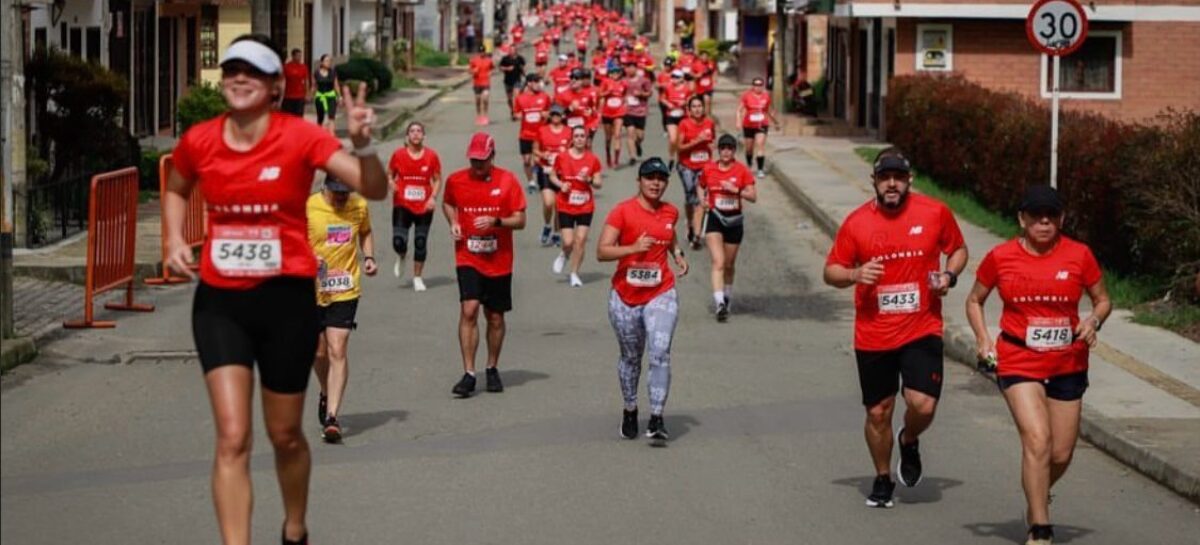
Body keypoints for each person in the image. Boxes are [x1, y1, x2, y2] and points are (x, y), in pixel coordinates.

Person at [164, 34, 388, 545]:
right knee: (232, 437)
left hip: (287, 300)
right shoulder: (200, 140)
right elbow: (177, 186)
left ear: (273, 85)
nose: (238, 78)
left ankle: (294, 527)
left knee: (285, 436)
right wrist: (173, 239)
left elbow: (373, 188)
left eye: (252, 70)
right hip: (221, 301)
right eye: (231, 69)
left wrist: (364, 144)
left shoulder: (300, 138)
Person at [822, 148, 968, 509]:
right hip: (874, 333)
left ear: (908, 181)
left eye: (898, 178)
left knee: (923, 405)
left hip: (921, 327)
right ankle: (883, 477)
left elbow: (959, 249)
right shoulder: (856, 223)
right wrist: (855, 274)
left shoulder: (934, 213)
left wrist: (948, 275)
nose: (891, 184)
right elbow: (831, 271)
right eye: (884, 178)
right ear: (873, 181)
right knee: (878, 412)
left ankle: (909, 440)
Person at [965, 185, 1111, 545]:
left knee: (1060, 452)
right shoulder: (1001, 257)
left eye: (1051, 216)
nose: (1043, 222)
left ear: (1061, 219)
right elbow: (974, 301)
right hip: (1018, 358)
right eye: (1035, 216)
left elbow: (1103, 300)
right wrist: (983, 340)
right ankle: (1040, 529)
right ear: (1022, 219)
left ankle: (1036, 495)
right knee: (1037, 439)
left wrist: (1093, 321)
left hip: (1068, 361)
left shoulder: (1080, 255)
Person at [596, 157, 689, 445]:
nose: (656, 183)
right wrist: (633, 248)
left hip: (661, 290)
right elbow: (602, 251)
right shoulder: (622, 212)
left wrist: (677, 254)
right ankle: (630, 408)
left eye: (661, 179)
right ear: (639, 180)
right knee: (631, 358)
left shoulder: (671, 212)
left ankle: (657, 418)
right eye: (650, 178)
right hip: (625, 296)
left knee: (660, 351)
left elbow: (668, 236)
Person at [442, 132, 527, 397]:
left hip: (499, 259)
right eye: (473, 160)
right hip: (468, 256)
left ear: (492, 157)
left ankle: (491, 367)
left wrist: (496, 222)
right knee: (469, 310)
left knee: (495, 317)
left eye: (481, 160)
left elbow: (521, 220)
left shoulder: (507, 181)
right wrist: (454, 222)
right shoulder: (456, 180)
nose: (477, 165)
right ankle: (469, 373)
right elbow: (448, 203)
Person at [307, 176, 376, 442]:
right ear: (326, 188)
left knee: (338, 348)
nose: (342, 198)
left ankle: (332, 417)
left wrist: (368, 257)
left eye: (346, 193)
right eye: (337, 193)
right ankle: (325, 390)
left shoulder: (358, 205)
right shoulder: (309, 207)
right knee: (318, 351)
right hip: (310, 289)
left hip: (345, 286)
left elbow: (366, 232)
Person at [700, 135, 756, 322]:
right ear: (718, 150)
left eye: (729, 148)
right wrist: (703, 200)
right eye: (722, 148)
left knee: (729, 265)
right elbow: (700, 186)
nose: (725, 152)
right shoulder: (709, 168)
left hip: (734, 221)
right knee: (719, 262)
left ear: (734, 151)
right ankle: (719, 303)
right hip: (715, 218)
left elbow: (753, 196)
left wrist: (737, 190)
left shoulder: (742, 171)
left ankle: (727, 296)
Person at [387, 121, 443, 291]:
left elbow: (437, 179)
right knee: (398, 241)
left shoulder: (431, 156)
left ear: (424, 136)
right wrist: (391, 184)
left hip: (424, 205)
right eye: (412, 131)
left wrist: (433, 197)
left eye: (419, 131)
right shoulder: (398, 155)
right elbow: (390, 174)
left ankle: (417, 277)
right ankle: (402, 255)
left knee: (420, 241)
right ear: (407, 136)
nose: (416, 134)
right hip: (402, 203)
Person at [549, 126, 603, 287]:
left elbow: (599, 183)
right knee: (568, 241)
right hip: (566, 204)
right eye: (577, 136)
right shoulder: (562, 157)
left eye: (583, 136)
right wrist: (560, 184)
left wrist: (589, 180)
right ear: (572, 139)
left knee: (580, 241)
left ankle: (574, 273)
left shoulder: (593, 159)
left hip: (585, 205)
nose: (580, 139)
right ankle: (565, 254)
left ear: (587, 139)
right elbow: (552, 175)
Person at [676, 95, 715, 251]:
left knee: (700, 200)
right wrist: (697, 141)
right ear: (689, 110)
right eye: (694, 107)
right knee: (690, 199)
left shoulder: (709, 123)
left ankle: (697, 235)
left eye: (700, 106)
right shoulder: (684, 124)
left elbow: (713, 143)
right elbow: (679, 147)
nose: (698, 109)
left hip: (704, 167)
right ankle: (690, 221)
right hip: (687, 166)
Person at [534, 105, 572, 247]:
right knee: (549, 202)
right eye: (553, 114)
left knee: (559, 205)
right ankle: (547, 225)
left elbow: (573, 150)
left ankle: (556, 233)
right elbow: (535, 150)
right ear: (550, 116)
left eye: (558, 114)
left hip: (562, 173)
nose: (556, 117)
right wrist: (543, 155)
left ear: (563, 116)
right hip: (546, 171)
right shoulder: (542, 130)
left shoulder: (569, 132)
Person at [513, 74, 552, 193]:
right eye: (535, 82)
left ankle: (543, 180)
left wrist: (547, 114)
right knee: (526, 160)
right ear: (529, 83)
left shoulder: (545, 97)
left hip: (540, 134)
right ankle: (531, 182)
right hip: (525, 134)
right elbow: (516, 113)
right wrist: (519, 115)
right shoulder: (520, 98)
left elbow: (552, 112)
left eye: (539, 81)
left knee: (539, 159)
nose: (538, 84)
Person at [736, 77, 780, 178]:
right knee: (749, 148)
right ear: (753, 86)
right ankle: (749, 164)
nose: (758, 87)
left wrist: (775, 123)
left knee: (760, 145)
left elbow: (769, 111)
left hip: (762, 124)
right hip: (748, 125)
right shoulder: (746, 96)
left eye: (760, 84)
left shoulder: (766, 96)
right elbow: (739, 110)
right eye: (756, 84)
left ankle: (760, 169)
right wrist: (738, 121)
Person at [623, 61, 653, 165]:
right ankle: (632, 156)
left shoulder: (644, 81)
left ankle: (637, 144)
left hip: (640, 111)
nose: (630, 70)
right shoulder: (623, 81)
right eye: (628, 68)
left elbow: (650, 93)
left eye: (632, 67)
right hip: (627, 111)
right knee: (630, 132)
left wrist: (641, 94)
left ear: (636, 69)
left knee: (640, 136)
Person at [598, 65, 628, 168]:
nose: (615, 75)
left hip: (619, 112)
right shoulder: (605, 82)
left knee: (617, 135)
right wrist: (608, 92)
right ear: (610, 74)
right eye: (613, 73)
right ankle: (608, 155)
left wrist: (624, 103)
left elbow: (624, 95)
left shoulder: (623, 84)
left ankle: (616, 160)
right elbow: (600, 94)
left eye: (617, 72)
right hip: (607, 112)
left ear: (620, 74)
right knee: (608, 138)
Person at [661, 69, 692, 169]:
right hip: (671, 116)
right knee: (673, 139)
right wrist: (668, 104)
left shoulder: (687, 89)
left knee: (682, 140)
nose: (674, 79)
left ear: (682, 78)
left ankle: (681, 158)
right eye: (673, 76)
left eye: (676, 77)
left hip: (683, 117)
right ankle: (671, 157)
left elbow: (692, 99)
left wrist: (685, 103)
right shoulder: (668, 88)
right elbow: (662, 98)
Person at [313, 54, 340, 135]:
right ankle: (319, 135)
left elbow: (336, 85)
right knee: (320, 118)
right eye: (326, 61)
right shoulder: (316, 73)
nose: (328, 63)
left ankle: (332, 136)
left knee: (331, 117)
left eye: (330, 61)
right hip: (320, 96)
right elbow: (314, 86)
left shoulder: (333, 72)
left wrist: (339, 96)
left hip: (331, 96)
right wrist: (310, 95)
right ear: (321, 62)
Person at [469, 46, 495, 126]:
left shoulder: (489, 60)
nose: (482, 53)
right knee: (478, 100)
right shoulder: (474, 60)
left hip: (486, 82)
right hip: (477, 82)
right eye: (480, 52)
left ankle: (485, 116)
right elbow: (469, 70)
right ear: (479, 52)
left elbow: (493, 68)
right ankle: (479, 116)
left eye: (483, 51)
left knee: (485, 98)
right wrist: (473, 71)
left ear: (485, 52)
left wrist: (491, 72)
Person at [498, 45, 527, 117]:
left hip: (517, 80)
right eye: (510, 50)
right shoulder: (505, 58)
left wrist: (524, 73)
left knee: (516, 97)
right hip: (507, 81)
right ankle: (512, 109)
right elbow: (500, 68)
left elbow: (523, 68)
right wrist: (507, 68)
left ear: (516, 50)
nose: (512, 51)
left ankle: (515, 112)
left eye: (513, 50)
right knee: (509, 99)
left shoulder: (520, 58)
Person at [281, 48, 309, 117]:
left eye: (300, 56)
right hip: (288, 96)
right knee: (288, 116)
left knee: (299, 116)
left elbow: (306, 81)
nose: (299, 58)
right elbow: (282, 81)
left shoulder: (303, 67)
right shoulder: (286, 67)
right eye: (298, 56)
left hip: (300, 96)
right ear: (293, 56)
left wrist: (307, 94)